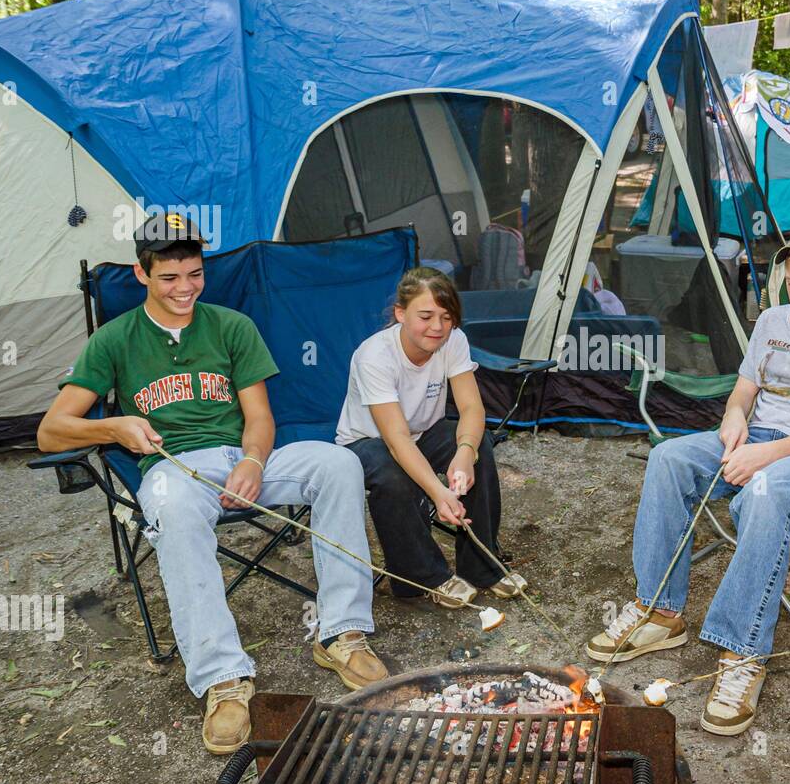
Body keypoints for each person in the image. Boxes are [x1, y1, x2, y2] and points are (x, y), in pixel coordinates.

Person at [37, 213, 388, 756]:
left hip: (243, 457)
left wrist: (252, 460)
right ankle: (223, 678)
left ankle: (342, 633)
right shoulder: (113, 340)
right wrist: (115, 425)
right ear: (141, 274)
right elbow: (50, 432)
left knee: (338, 464)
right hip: (174, 472)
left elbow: (260, 417)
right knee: (174, 506)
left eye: (194, 274)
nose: (185, 289)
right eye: (169, 278)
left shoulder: (230, 326)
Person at [585, 227, 790, 736]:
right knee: (668, 458)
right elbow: (743, 392)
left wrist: (764, 455)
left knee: (764, 495)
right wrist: (733, 419)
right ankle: (660, 612)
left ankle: (744, 652)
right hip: (758, 438)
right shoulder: (771, 320)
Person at [336, 267, 527, 611]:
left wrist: (465, 453)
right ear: (400, 314)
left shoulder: (453, 340)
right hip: (367, 443)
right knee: (393, 476)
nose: (437, 327)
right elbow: (395, 441)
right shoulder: (374, 356)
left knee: (479, 445)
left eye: (447, 316)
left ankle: (483, 567)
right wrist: (438, 492)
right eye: (425, 316)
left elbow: (471, 408)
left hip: (421, 433)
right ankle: (422, 577)